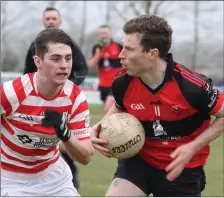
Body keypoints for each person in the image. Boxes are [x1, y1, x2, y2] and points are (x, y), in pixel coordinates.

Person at [91, 15, 224, 197]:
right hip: (138, 161)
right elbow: (119, 107)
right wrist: (100, 127)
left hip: (182, 168)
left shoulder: (193, 86)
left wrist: (192, 147)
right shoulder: (123, 82)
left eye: (128, 49)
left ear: (152, 54)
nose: (120, 55)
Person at [1, 28, 94, 197]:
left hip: (53, 177)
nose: (64, 65)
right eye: (56, 59)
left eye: (68, 58)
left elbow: (86, 156)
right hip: (10, 179)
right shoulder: (12, 93)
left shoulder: (76, 98)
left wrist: (65, 133)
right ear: (38, 62)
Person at [23, 7, 88, 189]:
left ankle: (69, 183)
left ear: (59, 21)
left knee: (64, 143)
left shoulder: (69, 45)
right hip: (36, 104)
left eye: (54, 18)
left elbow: (82, 70)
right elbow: (26, 74)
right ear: (44, 22)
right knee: (35, 144)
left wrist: (65, 88)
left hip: (64, 106)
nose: (51, 21)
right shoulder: (35, 47)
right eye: (47, 18)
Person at [88, 24, 123, 114]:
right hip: (103, 85)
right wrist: (98, 54)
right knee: (111, 111)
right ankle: (114, 126)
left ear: (110, 34)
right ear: (99, 35)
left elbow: (126, 63)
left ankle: (108, 126)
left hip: (116, 83)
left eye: (105, 33)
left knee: (108, 109)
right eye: (101, 33)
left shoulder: (118, 46)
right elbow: (92, 65)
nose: (104, 35)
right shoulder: (97, 48)